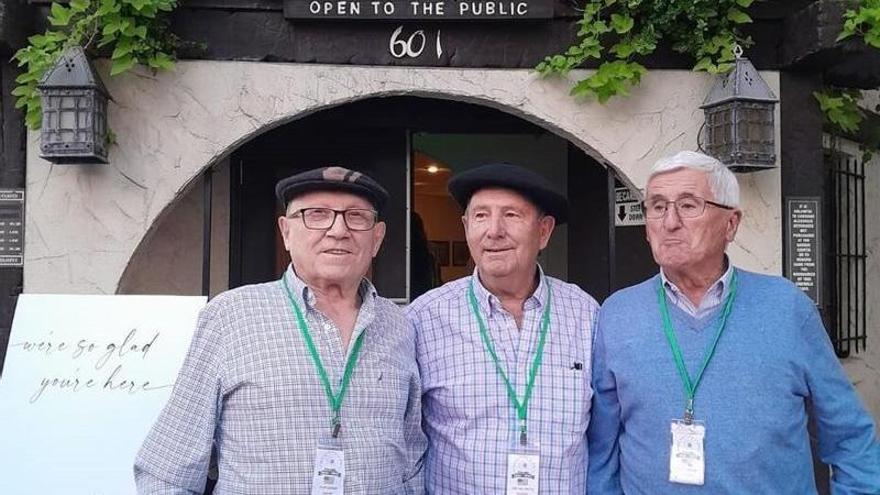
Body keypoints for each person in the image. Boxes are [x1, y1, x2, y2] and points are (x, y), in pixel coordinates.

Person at [588, 150, 880, 494]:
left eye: (688, 204)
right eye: (657, 206)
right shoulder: (617, 314)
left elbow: (850, 435)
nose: (669, 222)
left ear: (731, 224)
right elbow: (602, 453)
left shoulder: (787, 309)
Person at [135, 166, 426, 494]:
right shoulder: (231, 316)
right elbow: (168, 470)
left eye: (357, 217)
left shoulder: (400, 326)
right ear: (286, 232)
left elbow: (411, 454)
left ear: (377, 238)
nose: (339, 230)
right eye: (316, 215)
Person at [406, 163, 599, 494]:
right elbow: (405, 438)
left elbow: (604, 431)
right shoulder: (424, 318)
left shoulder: (586, 314)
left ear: (544, 231)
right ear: (466, 227)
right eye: (480, 216)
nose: (493, 231)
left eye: (511, 215)